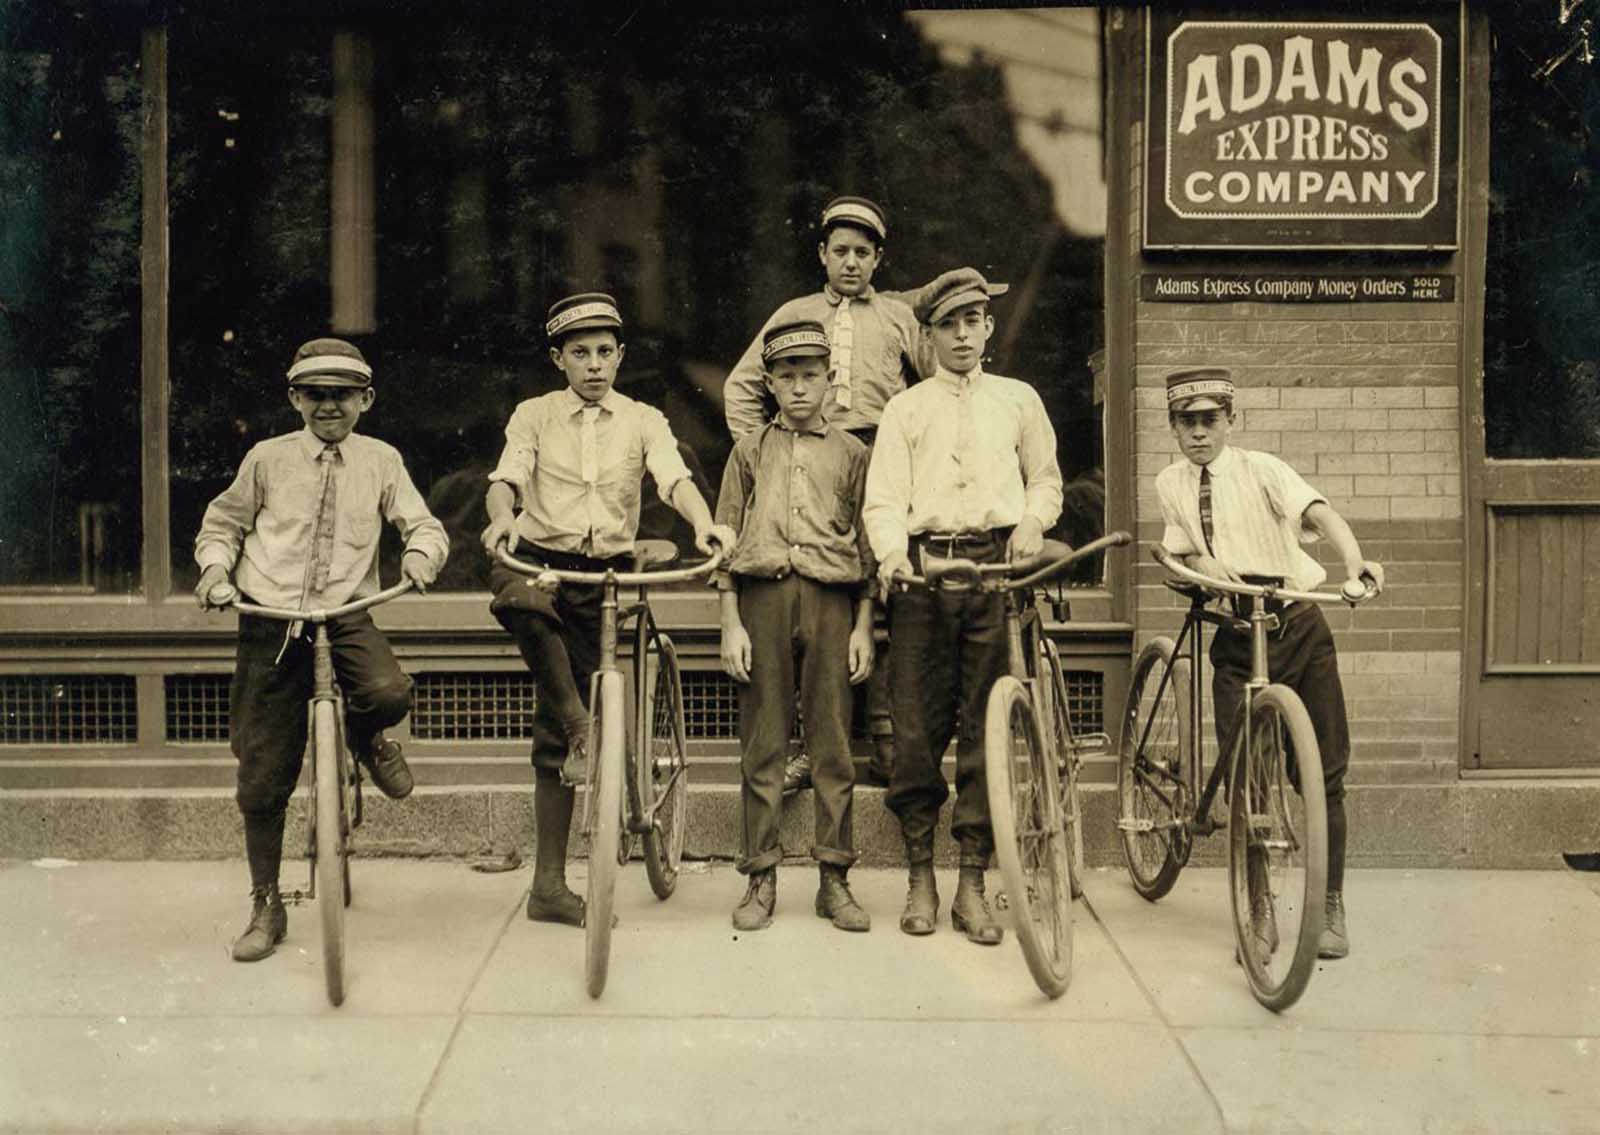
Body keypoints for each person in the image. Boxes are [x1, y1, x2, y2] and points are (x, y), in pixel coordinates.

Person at [480, 292, 735, 928]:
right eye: (578, 353)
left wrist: (704, 524)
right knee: (520, 601)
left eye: (603, 352)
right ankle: (576, 747)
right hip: (541, 559)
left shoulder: (643, 419)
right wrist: (505, 521)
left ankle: (579, 732)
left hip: (606, 576)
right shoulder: (534, 415)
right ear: (558, 359)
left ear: (619, 356)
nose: (593, 365)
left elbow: (673, 478)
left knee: (577, 704)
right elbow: (506, 479)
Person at [194, 337, 447, 963]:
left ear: (366, 399)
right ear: (295, 399)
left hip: (343, 614)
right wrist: (214, 570)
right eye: (315, 394)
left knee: (389, 691)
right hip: (272, 618)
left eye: (342, 395)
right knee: (263, 771)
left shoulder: (382, 460)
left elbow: (423, 524)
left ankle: (364, 738)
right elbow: (222, 524)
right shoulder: (267, 459)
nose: (328, 406)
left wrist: (420, 555)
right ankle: (266, 903)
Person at [1154, 366, 1385, 962]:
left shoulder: (1264, 471)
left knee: (1324, 774)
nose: (1199, 433)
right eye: (1187, 422)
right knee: (1248, 782)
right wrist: (1208, 575)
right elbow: (1175, 550)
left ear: (1231, 421)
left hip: (1299, 628)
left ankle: (1330, 904)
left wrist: (1356, 565)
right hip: (1236, 636)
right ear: (1174, 426)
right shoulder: (1171, 484)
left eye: (1210, 420)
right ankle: (1258, 912)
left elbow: (1323, 517)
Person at [863, 267, 1064, 945]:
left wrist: (1033, 522)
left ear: (987, 328)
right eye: (946, 324)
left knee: (986, 728)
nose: (960, 335)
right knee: (915, 731)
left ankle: (971, 881)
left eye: (972, 321)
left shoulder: (1017, 400)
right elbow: (884, 500)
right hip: (924, 579)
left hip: (996, 571)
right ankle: (921, 873)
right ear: (929, 334)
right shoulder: (906, 409)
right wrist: (893, 557)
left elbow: (1046, 480)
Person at [723, 195, 933, 791]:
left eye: (862, 253)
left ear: (878, 260)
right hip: (801, 460)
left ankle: (889, 745)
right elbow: (743, 386)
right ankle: (801, 751)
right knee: (802, 604)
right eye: (839, 250)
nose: (850, 262)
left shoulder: (896, 317)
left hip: (879, 459)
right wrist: (762, 451)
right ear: (821, 254)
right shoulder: (795, 312)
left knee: (880, 596)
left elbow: (933, 381)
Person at [716, 319, 876, 933]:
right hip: (762, 600)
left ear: (831, 381)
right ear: (771, 384)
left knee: (832, 742)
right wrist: (730, 620)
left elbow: (865, 548)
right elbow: (723, 538)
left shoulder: (854, 453)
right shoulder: (749, 450)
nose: (800, 388)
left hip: (832, 601)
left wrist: (864, 625)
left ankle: (834, 878)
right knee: (764, 740)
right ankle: (760, 874)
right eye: (787, 377)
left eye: (812, 375)